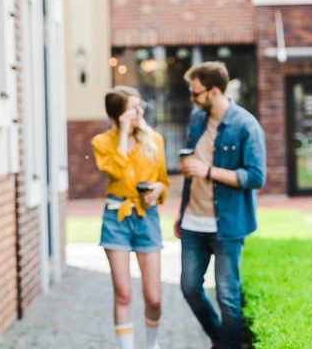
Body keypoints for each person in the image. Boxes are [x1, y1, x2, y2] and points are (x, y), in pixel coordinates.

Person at [176, 62, 266, 349]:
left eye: (196, 93)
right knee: (189, 288)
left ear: (214, 91)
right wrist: (181, 213)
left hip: (227, 225)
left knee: (227, 295)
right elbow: (193, 166)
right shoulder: (197, 119)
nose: (192, 98)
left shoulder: (245, 125)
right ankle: (221, 339)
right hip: (192, 222)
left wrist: (208, 170)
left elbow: (255, 176)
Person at [92, 86, 170, 349]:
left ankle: (152, 344)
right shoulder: (102, 142)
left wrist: (158, 190)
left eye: (141, 107)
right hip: (117, 219)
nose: (140, 112)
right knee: (123, 294)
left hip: (147, 218)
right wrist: (123, 134)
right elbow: (115, 172)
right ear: (118, 115)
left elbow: (163, 180)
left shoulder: (155, 140)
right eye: (133, 108)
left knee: (154, 297)